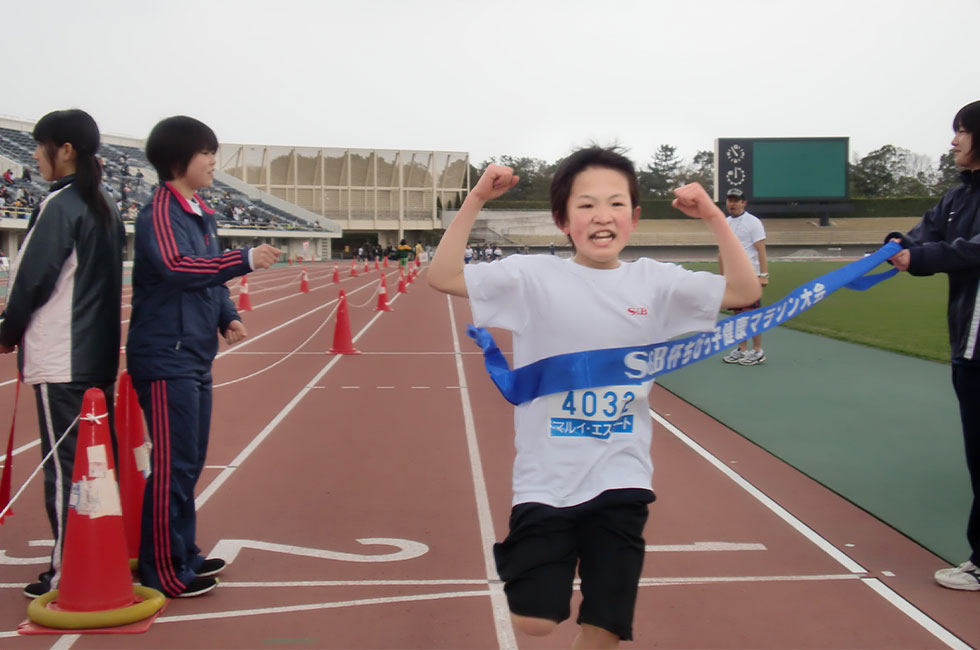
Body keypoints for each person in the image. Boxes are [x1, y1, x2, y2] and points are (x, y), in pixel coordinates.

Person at [428, 146, 758, 647]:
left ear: (634, 217)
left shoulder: (656, 282)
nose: (602, 215)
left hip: (622, 475)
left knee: (605, 624)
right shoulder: (532, 277)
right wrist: (476, 197)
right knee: (535, 621)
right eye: (585, 205)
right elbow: (442, 276)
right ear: (563, 219)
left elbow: (743, 291)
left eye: (616, 203)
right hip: (546, 477)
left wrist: (714, 215)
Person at [126, 116, 281, 598]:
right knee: (172, 464)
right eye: (206, 153)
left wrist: (226, 316)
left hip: (193, 352)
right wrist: (245, 259)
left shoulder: (199, 212)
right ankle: (162, 568)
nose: (214, 161)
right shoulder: (160, 212)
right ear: (178, 160)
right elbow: (177, 267)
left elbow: (206, 278)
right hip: (165, 354)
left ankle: (183, 551)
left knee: (188, 462)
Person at [0, 109, 126, 599]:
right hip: (95, 355)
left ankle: (67, 569)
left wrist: (8, 332)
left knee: (64, 468)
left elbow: (32, 278)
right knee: (95, 461)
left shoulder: (61, 205)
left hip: (62, 355)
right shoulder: (105, 204)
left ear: (65, 150)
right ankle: (98, 554)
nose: (34, 155)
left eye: (40, 145)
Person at [887, 100, 980, 591]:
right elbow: (926, 232)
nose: (953, 141)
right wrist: (895, 245)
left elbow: (970, 250)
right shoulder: (957, 197)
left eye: (961, 131)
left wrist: (918, 255)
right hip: (968, 349)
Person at [720, 187, 769, 365]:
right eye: (729, 200)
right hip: (734, 276)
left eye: (736, 200)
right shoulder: (725, 222)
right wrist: (722, 277)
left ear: (743, 203)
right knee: (738, 314)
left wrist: (763, 275)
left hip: (751, 275)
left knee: (752, 313)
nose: (732, 203)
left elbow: (761, 249)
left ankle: (757, 351)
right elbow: (722, 251)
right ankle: (742, 349)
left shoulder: (753, 222)